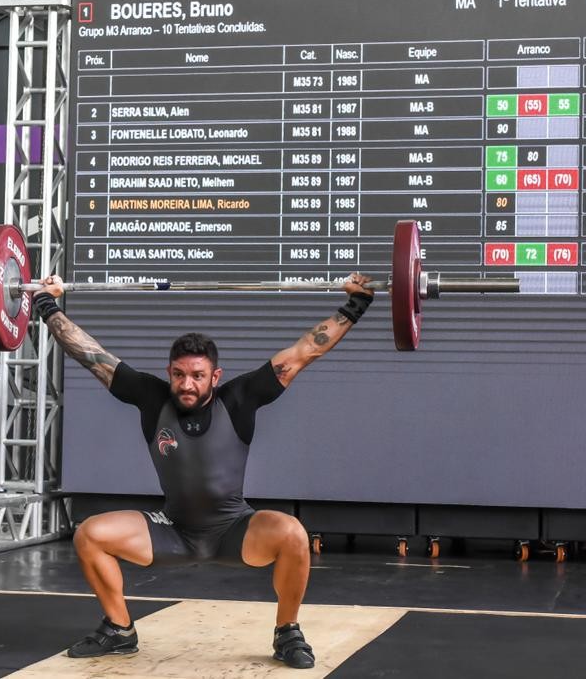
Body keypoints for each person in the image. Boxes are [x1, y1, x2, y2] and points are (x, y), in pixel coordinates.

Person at [31, 273, 375, 669]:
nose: (186, 384)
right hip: (172, 529)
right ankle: (119, 630)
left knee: (293, 534)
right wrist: (46, 303)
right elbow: (90, 354)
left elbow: (303, 352)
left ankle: (287, 631)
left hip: (233, 530)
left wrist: (355, 305)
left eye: (197, 376)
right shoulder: (149, 396)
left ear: (215, 376)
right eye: (179, 374)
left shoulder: (240, 398)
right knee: (90, 534)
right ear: (169, 372)